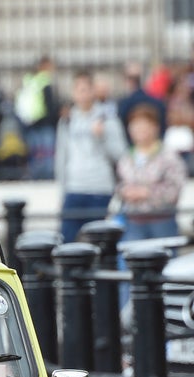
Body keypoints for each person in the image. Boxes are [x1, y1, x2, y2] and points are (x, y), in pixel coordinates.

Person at [55, 69, 128, 243]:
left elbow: (121, 154)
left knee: (98, 242)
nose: (82, 94)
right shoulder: (67, 120)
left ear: (93, 91)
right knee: (68, 242)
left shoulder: (108, 118)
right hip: (74, 188)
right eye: (78, 89)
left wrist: (102, 136)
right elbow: (62, 158)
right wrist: (62, 190)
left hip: (99, 188)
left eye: (85, 89)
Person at [115, 102, 187, 243]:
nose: (140, 130)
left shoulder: (168, 156)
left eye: (144, 125)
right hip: (133, 222)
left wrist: (147, 193)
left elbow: (175, 188)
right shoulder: (126, 157)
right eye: (136, 125)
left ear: (155, 127)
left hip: (161, 222)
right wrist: (125, 192)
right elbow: (118, 183)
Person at [13, 55, 59, 179]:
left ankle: (36, 176)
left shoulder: (28, 80)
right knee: (47, 154)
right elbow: (49, 105)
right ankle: (46, 177)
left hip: (31, 122)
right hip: (45, 123)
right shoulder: (44, 81)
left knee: (36, 153)